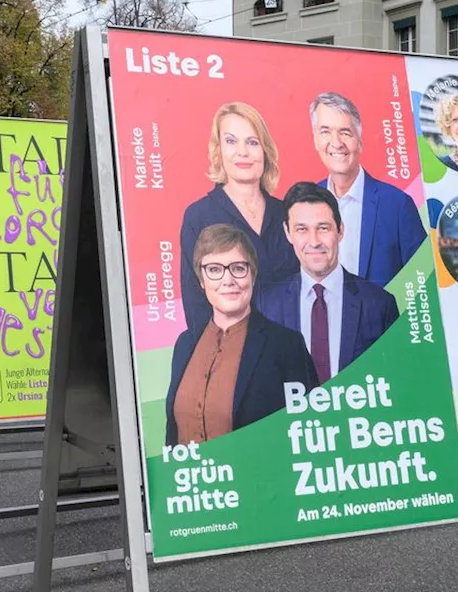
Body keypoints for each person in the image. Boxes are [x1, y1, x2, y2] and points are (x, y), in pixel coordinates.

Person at [166, 224, 317, 446]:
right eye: (215, 270)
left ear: (253, 275)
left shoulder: (287, 345)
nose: (228, 280)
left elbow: (308, 430)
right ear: (201, 280)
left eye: (238, 268)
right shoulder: (185, 344)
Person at [257, 183, 399, 383]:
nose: (314, 241)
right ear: (288, 233)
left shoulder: (380, 304)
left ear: (340, 231)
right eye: (301, 229)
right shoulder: (266, 306)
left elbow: (394, 380)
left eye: (323, 228)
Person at [179, 102, 297, 330]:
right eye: (231, 141)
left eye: (252, 142)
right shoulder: (199, 216)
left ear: (265, 151)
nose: (243, 152)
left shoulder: (287, 213)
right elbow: (196, 306)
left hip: (295, 350)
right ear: (218, 150)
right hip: (234, 353)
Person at [309, 92, 426, 288]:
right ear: (315, 140)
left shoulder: (397, 206)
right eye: (325, 132)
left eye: (345, 132)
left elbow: (423, 281)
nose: (336, 143)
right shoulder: (305, 204)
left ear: (359, 141)